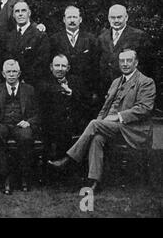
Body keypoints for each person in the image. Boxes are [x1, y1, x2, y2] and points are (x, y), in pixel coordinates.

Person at [48, 49, 156, 193]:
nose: (124, 64)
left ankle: (68, 159)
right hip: (112, 126)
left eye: (128, 61)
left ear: (136, 63)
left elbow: (144, 108)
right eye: (121, 61)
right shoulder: (116, 82)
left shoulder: (146, 82)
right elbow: (105, 109)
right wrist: (101, 121)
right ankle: (95, 181)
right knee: (96, 137)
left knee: (94, 124)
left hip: (133, 129)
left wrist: (118, 116)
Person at [0, 59, 39, 193]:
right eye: (9, 72)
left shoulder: (29, 90)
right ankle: (5, 178)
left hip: (21, 124)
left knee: (26, 137)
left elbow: (37, 114)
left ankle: (23, 177)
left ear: (19, 73)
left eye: (14, 71)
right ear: (3, 74)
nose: (12, 74)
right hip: (2, 124)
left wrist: (29, 122)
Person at [37, 54, 90, 161]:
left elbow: (86, 102)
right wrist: (62, 90)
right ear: (51, 67)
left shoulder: (77, 81)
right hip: (52, 125)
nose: (60, 69)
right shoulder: (44, 82)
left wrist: (72, 94)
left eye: (63, 66)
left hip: (74, 123)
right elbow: (45, 94)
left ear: (68, 68)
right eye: (57, 65)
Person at [97, 4, 154, 96]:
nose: (116, 21)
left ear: (126, 17)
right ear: (108, 18)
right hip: (106, 90)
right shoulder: (102, 37)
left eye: (119, 17)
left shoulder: (139, 36)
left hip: (130, 90)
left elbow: (148, 66)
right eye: (113, 17)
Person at [49, 6, 99, 108]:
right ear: (64, 20)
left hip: (84, 90)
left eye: (75, 17)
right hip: (60, 89)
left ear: (80, 19)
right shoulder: (54, 39)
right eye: (69, 17)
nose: (72, 20)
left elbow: (96, 67)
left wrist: (93, 91)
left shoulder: (91, 39)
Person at [2, 0, 50, 86]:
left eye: (23, 11)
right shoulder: (8, 36)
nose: (20, 14)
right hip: (11, 84)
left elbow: (41, 63)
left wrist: (25, 80)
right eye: (17, 11)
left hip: (33, 84)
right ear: (13, 15)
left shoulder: (39, 35)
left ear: (29, 13)